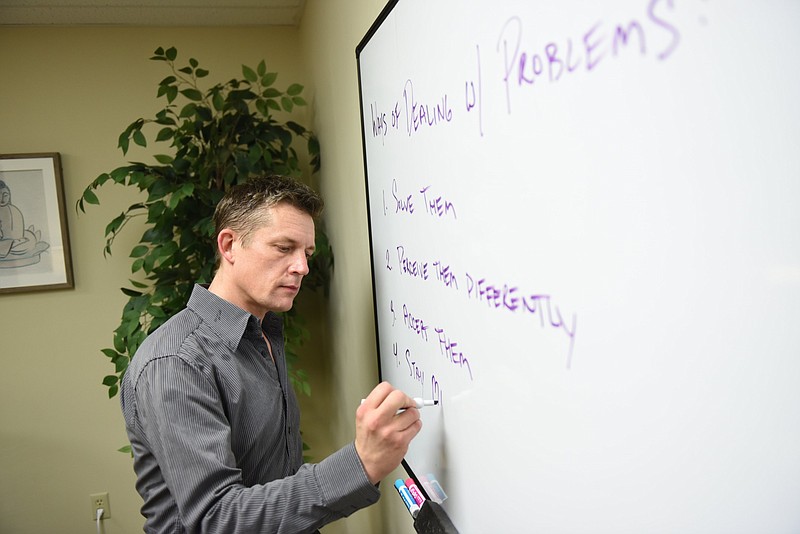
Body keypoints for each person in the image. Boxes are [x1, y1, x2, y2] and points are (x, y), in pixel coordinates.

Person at [120, 175, 423, 533]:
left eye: (307, 253)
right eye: (283, 248)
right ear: (229, 245)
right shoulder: (177, 362)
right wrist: (360, 464)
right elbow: (216, 519)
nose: (303, 267)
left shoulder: (262, 331)